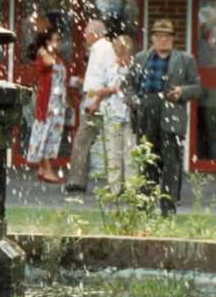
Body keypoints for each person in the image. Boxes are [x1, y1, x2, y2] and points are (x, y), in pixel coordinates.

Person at [125, 19, 203, 216]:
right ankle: (144, 206)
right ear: (152, 38)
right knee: (146, 161)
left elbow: (198, 88)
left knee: (171, 163)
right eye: (159, 36)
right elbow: (128, 85)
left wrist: (182, 91)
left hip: (172, 112)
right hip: (146, 112)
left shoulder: (185, 59)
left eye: (167, 36)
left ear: (172, 39)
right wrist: (133, 100)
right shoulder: (141, 58)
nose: (163, 40)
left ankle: (168, 207)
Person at [64, 18, 118, 194]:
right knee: (90, 141)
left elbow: (111, 79)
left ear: (96, 33)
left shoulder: (104, 50)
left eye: (86, 32)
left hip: (100, 104)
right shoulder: (97, 50)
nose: (84, 35)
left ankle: (77, 182)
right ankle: (78, 181)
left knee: (85, 140)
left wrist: (96, 102)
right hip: (94, 101)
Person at [26, 28, 67, 183]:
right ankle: (47, 168)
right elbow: (48, 64)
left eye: (59, 40)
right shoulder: (44, 56)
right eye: (55, 40)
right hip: (47, 103)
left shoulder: (57, 57)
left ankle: (43, 168)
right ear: (48, 42)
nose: (58, 43)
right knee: (43, 134)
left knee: (52, 135)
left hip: (58, 104)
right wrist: (43, 49)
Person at [99, 35, 136, 196]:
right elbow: (100, 89)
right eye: (118, 52)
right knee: (113, 152)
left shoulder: (134, 68)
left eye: (124, 52)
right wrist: (112, 90)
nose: (121, 56)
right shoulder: (109, 68)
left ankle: (132, 188)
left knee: (130, 153)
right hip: (112, 112)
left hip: (129, 113)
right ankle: (115, 188)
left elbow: (134, 87)